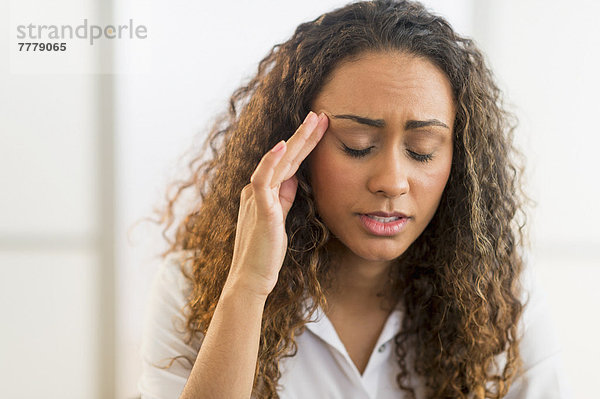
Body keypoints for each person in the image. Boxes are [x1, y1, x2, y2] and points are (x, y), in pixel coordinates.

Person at [137, 1, 570, 398]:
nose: (392, 182)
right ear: (296, 148)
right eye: (357, 144)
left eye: (422, 149)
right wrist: (248, 289)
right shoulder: (196, 289)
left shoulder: (499, 294)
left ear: (460, 161)